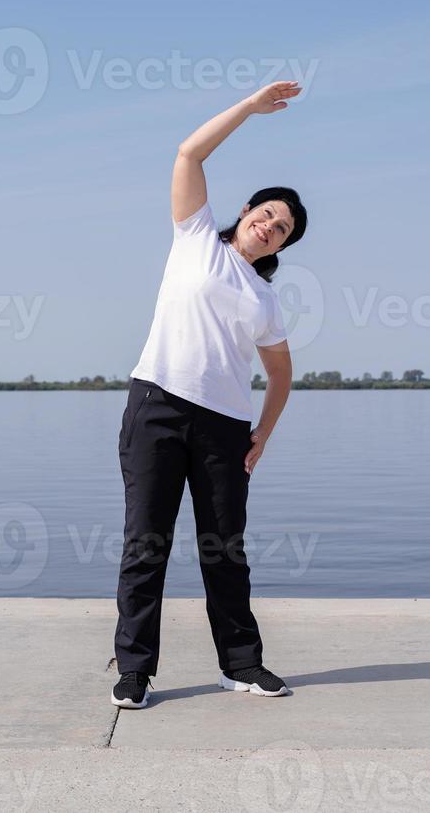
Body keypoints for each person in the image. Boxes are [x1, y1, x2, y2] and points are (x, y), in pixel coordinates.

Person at [111, 80, 308, 708]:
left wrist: (261, 437)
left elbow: (281, 374)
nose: (270, 226)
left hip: (225, 427)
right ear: (247, 211)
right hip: (159, 406)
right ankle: (136, 672)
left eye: (282, 230)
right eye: (268, 214)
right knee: (147, 544)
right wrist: (251, 107)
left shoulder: (266, 298)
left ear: (280, 246)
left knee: (225, 549)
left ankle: (242, 665)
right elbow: (189, 154)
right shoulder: (194, 237)